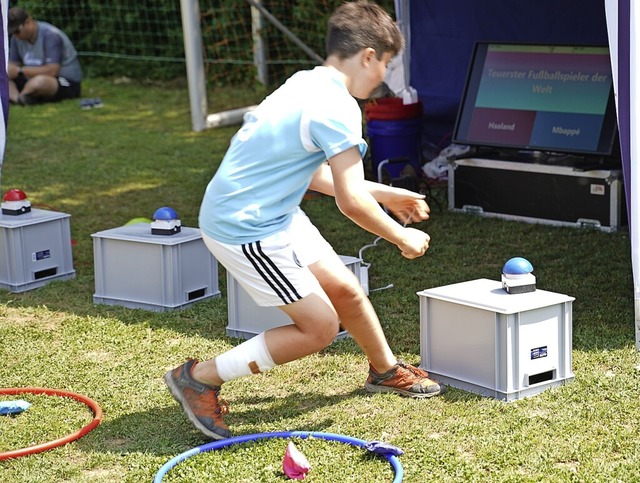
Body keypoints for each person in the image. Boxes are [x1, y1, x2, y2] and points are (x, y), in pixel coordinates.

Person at [164, 0, 445, 441]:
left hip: (274, 210)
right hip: (246, 228)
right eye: (386, 65)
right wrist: (400, 236)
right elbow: (350, 203)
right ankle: (198, 377)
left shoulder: (307, 82)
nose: (384, 77)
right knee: (319, 328)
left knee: (346, 291)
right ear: (368, 55)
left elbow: (306, 171)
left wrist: (385, 193)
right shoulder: (338, 107)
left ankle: (385, 369)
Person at [7, 7, 82, 106]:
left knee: (39, 82)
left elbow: (52, 71)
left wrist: (19, 71)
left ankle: (24, 95)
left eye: (17, 31)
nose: (15, 35)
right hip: (32, 78)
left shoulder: (50, 35)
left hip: (63, 81)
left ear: (28, 21)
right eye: (12, 32)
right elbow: (12, 66)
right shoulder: (16, 39)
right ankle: (19, 99)